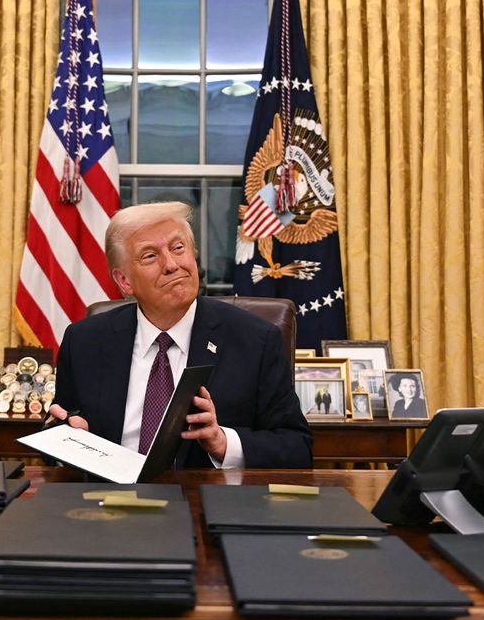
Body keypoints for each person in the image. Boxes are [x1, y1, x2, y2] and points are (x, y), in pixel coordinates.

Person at [47, 201, 312, 469]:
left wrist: (222, 443)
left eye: (178, 248)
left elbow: (297, 448)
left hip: (208, 504)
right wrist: (63, 436)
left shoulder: (255, 340)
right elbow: (58, 435)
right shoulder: (84, 342)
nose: (172, 265)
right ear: (124, 281)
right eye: (150, 256)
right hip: (108, 501)